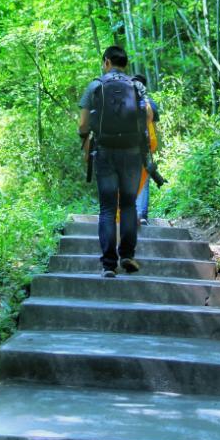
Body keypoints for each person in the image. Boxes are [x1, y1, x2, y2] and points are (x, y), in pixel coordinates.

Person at [78, 46, 153, 278]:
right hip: (131, 152)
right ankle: (128, 255)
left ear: (107, 61)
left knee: (108, 208)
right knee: (129, 204)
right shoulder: (136, 85)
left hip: (105, 152)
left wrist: (85, 139)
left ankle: (109, 265)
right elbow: (149, 114)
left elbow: (82, 125)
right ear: (125, 64)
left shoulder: (96, 85)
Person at [132, 74, 160, 225]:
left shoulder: (125, 101)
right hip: (145, 146)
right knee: (143, 179)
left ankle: (129, 213)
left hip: (127, 145)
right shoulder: (150, 103)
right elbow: (154, 126)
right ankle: (141, 214)